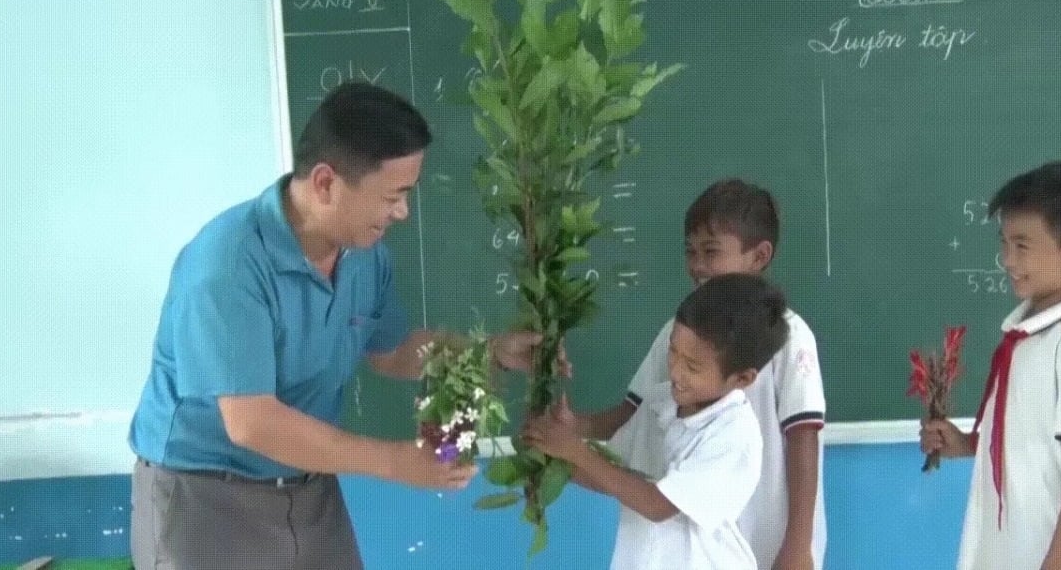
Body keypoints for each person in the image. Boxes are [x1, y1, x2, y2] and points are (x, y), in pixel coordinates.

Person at [127, 82, 541, 570]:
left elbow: (392, 351)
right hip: (205, 499)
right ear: (325, 183)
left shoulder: (365, 257)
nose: (403, 212)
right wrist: (396, 461)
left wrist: (487, 352)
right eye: (394, 196)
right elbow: (251, 421)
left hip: (309, 491)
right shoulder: (228, 265)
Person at [574, 179, 828, 570]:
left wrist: (797, 546)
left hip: (769, 532)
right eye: (690, 252)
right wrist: (571, 428)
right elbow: (632, 412)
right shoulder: (680, 331)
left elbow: (803, 439)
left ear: (759, 256)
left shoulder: (790, 338)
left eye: (711, 252)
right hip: (692, 534)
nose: (697, 265)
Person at [921, 161, 1061, 570]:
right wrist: (967, 445)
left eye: (1023, 245)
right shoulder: (1026, 339)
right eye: (1004, 243)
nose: (1006, 259)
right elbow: (1032, 446)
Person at [524, 273, 790, 570]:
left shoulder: (735, 436)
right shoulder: (661, 401)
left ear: (742, 378)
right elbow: (618, 478)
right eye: (672, 352)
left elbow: (656, 505)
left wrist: (575, 450)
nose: (675, 371)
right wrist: (552, 457)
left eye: (692, 366)